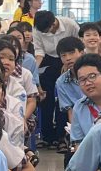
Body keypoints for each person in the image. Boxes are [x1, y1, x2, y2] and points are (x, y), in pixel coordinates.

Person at [33, 10, 79, 147]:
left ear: (53, 24)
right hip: (47, 61)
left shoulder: (70, 25)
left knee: (63, 100)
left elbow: (79, 45)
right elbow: (39, 51)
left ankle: (61, 136)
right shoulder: (38, 29)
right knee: (46, 99)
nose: (44, 33)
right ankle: (47, 136)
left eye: (46, 31)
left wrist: (69, 63)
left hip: (67, 59)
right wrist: (34, 72)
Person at [69, 54, 101, 146]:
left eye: (92, 76)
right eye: (82, 80)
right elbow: (78, 144)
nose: (88, 83)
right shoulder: (79, 107)